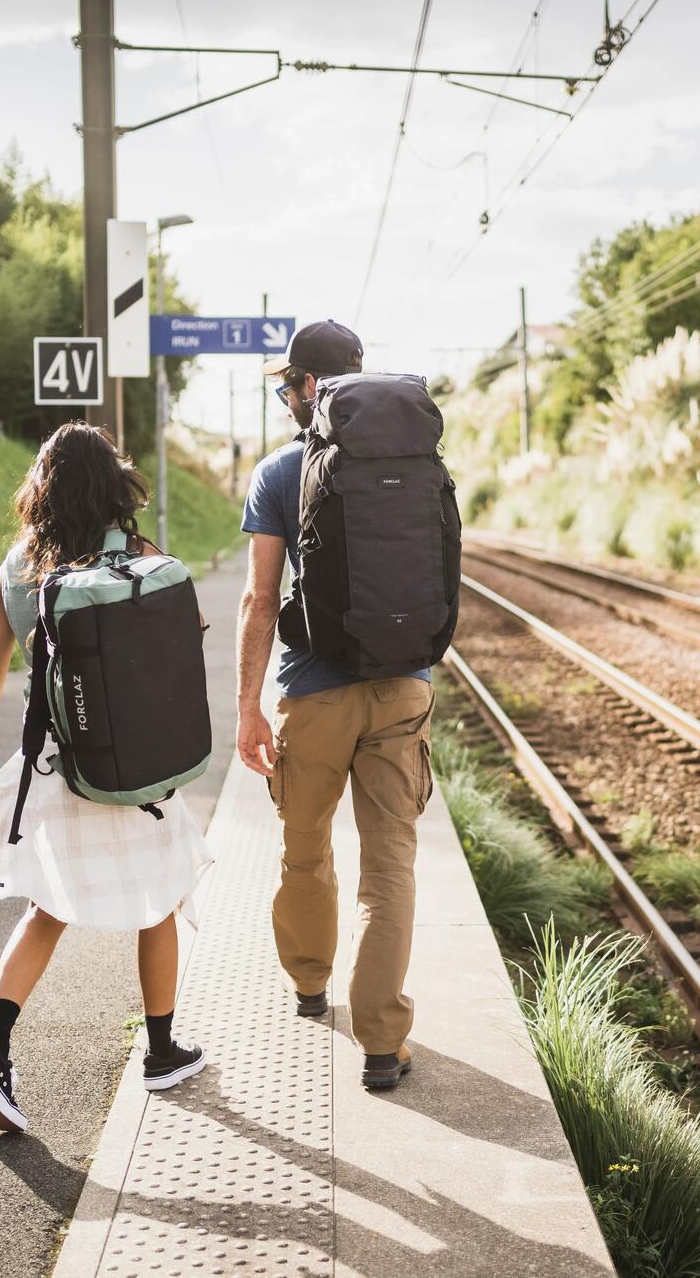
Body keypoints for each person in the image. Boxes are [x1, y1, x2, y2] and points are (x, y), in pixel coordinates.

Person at [0, 423, 214, 1134]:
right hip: (135, 768)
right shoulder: (139, 554)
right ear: (115, 484)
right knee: (161, 902)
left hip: (59, 767)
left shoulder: (17, 567)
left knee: (47, 910)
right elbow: (187, 628)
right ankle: (163, 1051)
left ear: (41, 487)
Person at [237, 319, 434, 1091]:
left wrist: (248, 706)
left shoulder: (280, 471)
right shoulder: (417, 460)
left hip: (313, 693)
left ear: (309, 386)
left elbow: (259, 599)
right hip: (403, 687)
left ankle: (311, 985)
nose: (287, 396)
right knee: (390, 864)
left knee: (306, 846)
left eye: (289, 384)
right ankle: (382, 1044)